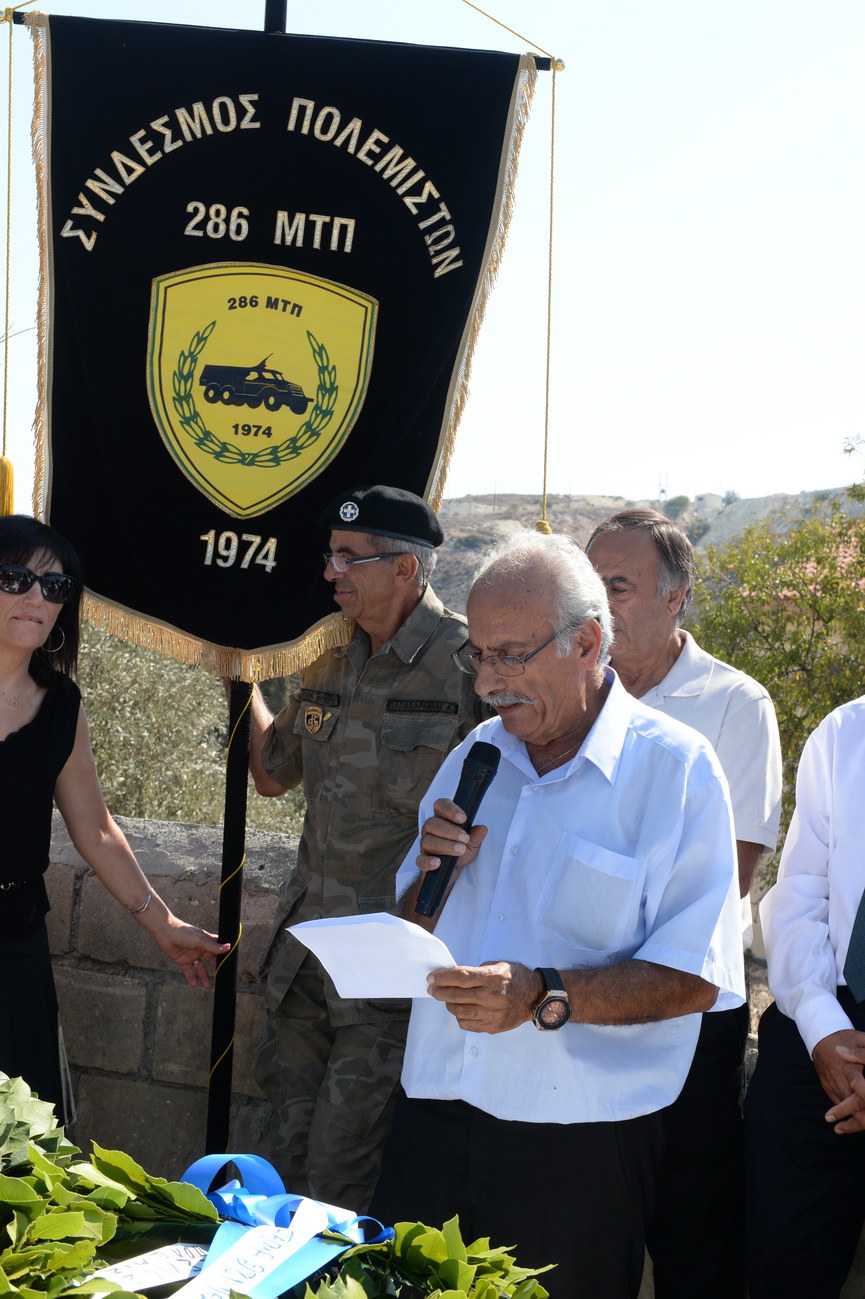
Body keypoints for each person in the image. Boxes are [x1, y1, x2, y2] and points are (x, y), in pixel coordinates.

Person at [369, 530, 745, 1299]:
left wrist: (540, 992)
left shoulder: (674, 771)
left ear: (588, 641)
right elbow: (412, 927)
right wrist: (431, 876)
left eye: (511, 655)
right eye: (477, 656)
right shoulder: (477, 753)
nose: (489, 683)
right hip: (434, 1111)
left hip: (578, 1146)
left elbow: (694, 977)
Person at [248, 484, 482, 1213]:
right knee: (275, 1164)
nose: (331, 572)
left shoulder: (469, 667)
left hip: (385, 973)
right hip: (303, 957)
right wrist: (243, 675)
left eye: (350, 557)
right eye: (331, 556)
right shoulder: (324, 656)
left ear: (406, 569)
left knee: (340, 1174)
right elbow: (271, 773)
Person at [586, 508, 781, 1299]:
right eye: (587, 585)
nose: (598, 604)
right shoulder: (564, 697)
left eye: (617, 585)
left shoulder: (735, 705)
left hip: (686, 1009)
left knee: (689, 1234)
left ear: (676, 598)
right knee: (582, 1222)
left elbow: (723, 878)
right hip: (578, 998)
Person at [0, 514, 227, 1125]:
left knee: (22, 1141)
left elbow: (96, 830)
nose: (36, 598)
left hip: (13, 941)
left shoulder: (61, 706)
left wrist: (163, 923)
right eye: (15, 578)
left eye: (55, 587)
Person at [745, 696, 865, 1298]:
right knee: (784, 1252)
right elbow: (799, 897)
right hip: (838, 1012)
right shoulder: (845, 732)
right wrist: (824, 1030)